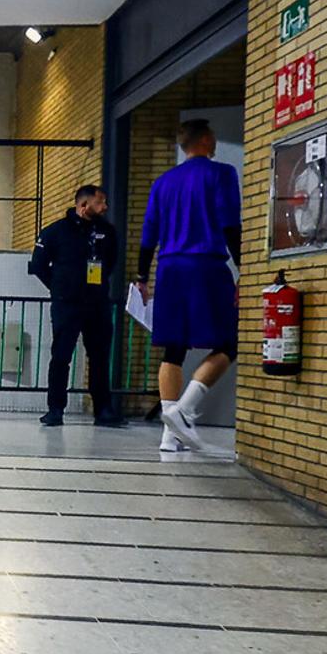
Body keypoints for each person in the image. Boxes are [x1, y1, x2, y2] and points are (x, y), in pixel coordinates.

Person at [135, 119, 241, 453]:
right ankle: (184, 410)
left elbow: (148, 234)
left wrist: (142, 276)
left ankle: (170, 434)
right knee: (228, 342)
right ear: (207, 139)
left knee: (174, 348)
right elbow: (229, 225)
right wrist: (245, 270)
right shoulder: (221, 174)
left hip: (169, 268)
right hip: (205, 265)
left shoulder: (163, 183)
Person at [28, 185, 126, 428]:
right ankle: (55, 409)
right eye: (100, 202)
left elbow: (111, 262)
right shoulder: (55, 232)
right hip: (67, 305)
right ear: (84, 205)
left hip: (97, 304)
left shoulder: (107, 232)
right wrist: (60, 288)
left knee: (100, 357)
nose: (105, 207)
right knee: (61, 357)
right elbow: (39, 265)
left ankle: (103, 410)